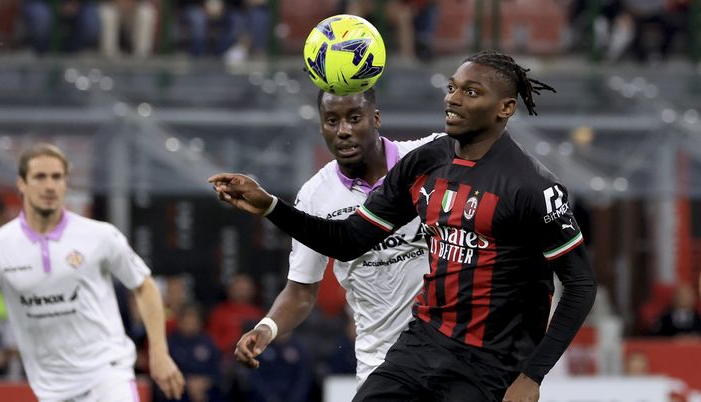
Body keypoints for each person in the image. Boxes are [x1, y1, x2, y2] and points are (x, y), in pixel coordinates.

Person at [210, 50, 597, 401]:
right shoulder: (426, 162)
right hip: (420, 346)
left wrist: (532, 376)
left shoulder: (534, 187)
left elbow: (580, 285)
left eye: (471, 92)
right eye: (452, 88)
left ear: (505, 108)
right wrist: (271, 207)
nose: (453, 99)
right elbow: (348, 241)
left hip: (491, 362)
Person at [233, 88, 443, 387]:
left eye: (354, 118)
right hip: (382, 365)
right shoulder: (315, 196)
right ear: (321, 127)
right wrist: (267, 328)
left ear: (376, 118)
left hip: (452, 356)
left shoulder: (427, 160)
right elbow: (301, 292)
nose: (343, 131)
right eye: (331, 121)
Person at [0, 143, 185, 401]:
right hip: (51, 388)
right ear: (22, 184)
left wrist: (160, 353)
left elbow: (143, 285)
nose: (49, 186)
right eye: (40, 177)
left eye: (57, 177)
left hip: (108, 375)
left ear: (65, 184)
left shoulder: (100, 235)